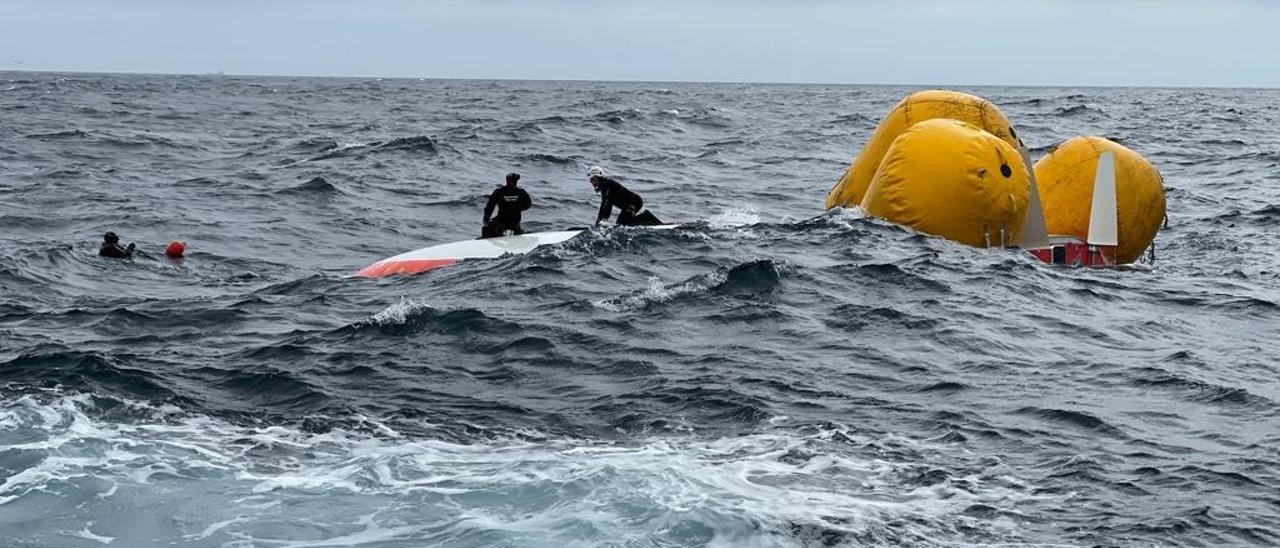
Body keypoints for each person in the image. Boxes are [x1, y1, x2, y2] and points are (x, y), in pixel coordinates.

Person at [588, 166, 663, 226]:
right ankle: (648, 220)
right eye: (590, 180)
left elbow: (607, 205)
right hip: (630, 204)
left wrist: (602, 221)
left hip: (634, 202)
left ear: (598, 177)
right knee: (622, 224)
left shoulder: (606, 185)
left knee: (622, 224)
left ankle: (647, 217)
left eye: (592, 179)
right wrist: (598, 222)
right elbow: (604, 205)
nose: (591, 182)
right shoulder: (605, 186)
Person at [482, 172, 532, 238]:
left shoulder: (499, 192)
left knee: (488, 228)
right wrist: (518, 208)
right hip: (515, 221)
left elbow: (490, 206)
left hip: (502, 221)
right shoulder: (521, 192)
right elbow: (528, 204)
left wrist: (486, 218)